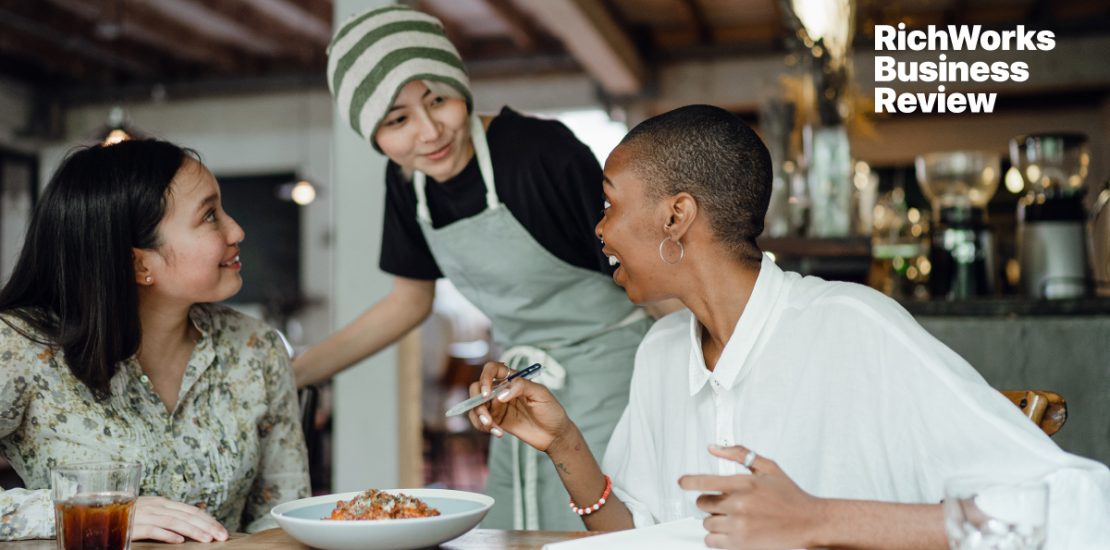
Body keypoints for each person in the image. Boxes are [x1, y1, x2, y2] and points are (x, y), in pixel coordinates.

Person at [466, 105, 1110, 548]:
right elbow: (637, 540)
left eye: (610, 204)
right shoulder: (662, 351)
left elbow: (1081, 509)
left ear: (676, 216)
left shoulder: (852, 327)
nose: (599, 230)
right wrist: (563, 443)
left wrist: (815, 520)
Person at [296, 5, 653, 530]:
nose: (428, 132)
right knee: (516, 528)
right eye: (397, 120)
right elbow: (408, 302)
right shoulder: (406, 185)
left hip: (616, 379)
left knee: (602, 530)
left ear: (460, 88)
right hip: (519, 384)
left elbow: (647, 272)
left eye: (437, 100)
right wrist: (295, 375)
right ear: (375, 138)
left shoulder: (540, 152)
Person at [0, 140, 310, 542]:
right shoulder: (21, 346)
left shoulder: (257, 347)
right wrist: (93, 513)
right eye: (210, 216)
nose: (237, 230)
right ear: (139, 263)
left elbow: (284, 519)